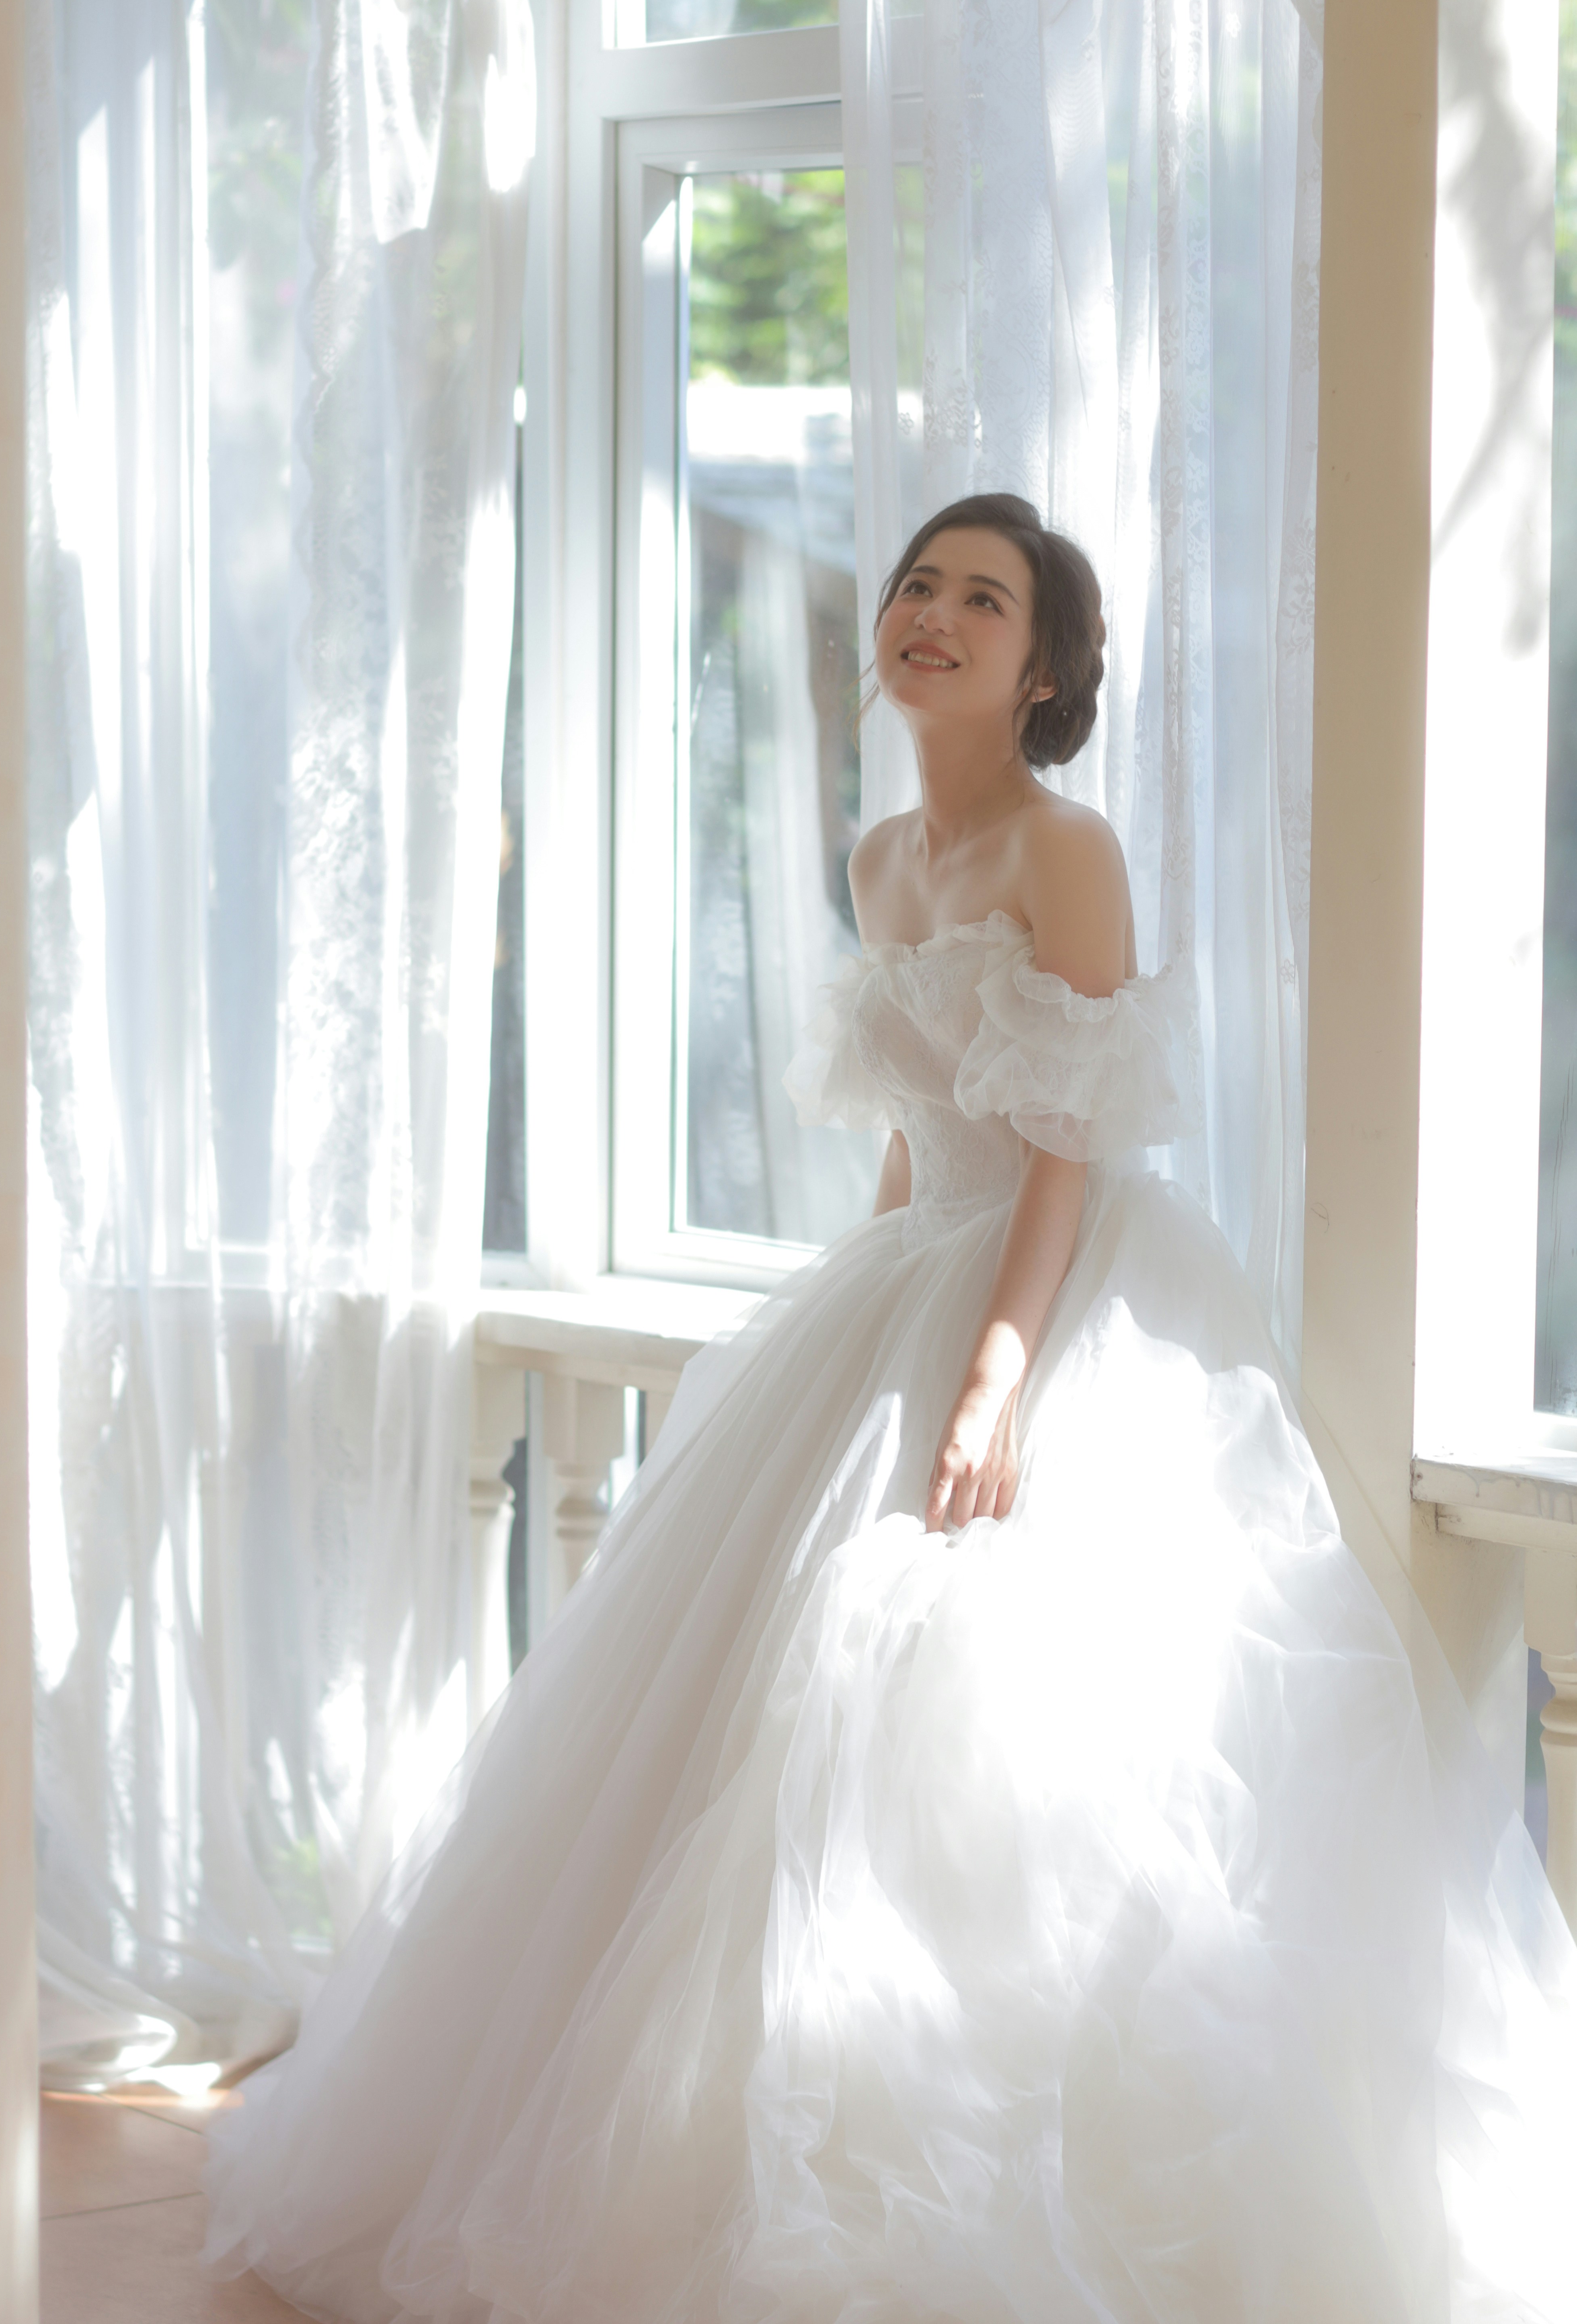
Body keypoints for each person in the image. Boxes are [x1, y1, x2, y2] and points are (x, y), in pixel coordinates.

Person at [205, 494, 1577, 2323]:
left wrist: (996, 1375)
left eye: (982, 599)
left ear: (1045, 670)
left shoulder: (1061, 851)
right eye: (919, 585)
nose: (931, 613)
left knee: (1003, 1755)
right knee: (752, 1749)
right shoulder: (875, 863)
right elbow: (922, 1138)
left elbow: (1062, 1155)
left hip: (1058, 1301)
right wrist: (837, 1331)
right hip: (913, 1272)